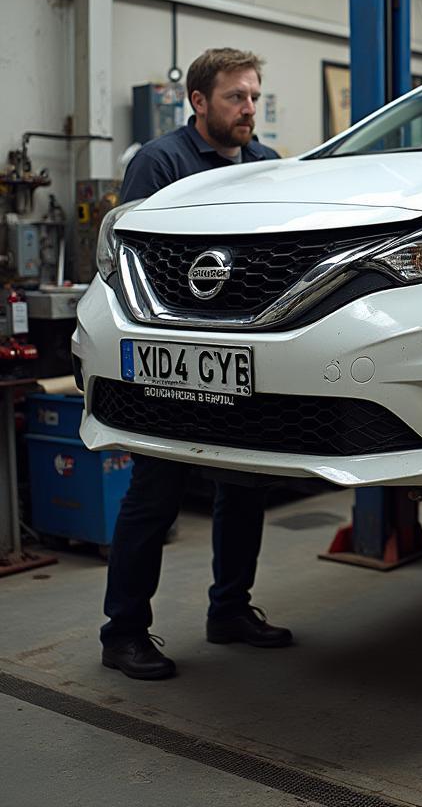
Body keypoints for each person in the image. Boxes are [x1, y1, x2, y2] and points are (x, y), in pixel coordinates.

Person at [101, 47, 291, 680]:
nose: (248, 108)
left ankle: (229, 611)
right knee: (153, 492)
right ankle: (123, 632)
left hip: (244, 350)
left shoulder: (267, 164)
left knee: (243, 486)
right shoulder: (161, 163)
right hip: (171, 357)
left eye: (255, 96)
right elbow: (136, 258)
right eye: (236, 97)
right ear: (200, 102)